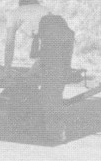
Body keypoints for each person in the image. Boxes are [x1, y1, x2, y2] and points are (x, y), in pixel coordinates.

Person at [29, 13, 74, 143]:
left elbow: (33, 55)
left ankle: (53, 134)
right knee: (56, 103)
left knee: (47, 104)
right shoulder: (68, 35)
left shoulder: (48, 37)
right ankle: (59, 133)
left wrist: (35, 38)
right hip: (60, 74)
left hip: (49, 74)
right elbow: (68, 59)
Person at [5, 0, 51, 69]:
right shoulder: (45, 10)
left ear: (20, 5)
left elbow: (9, 43)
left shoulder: (14, 13)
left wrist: (7, 68)